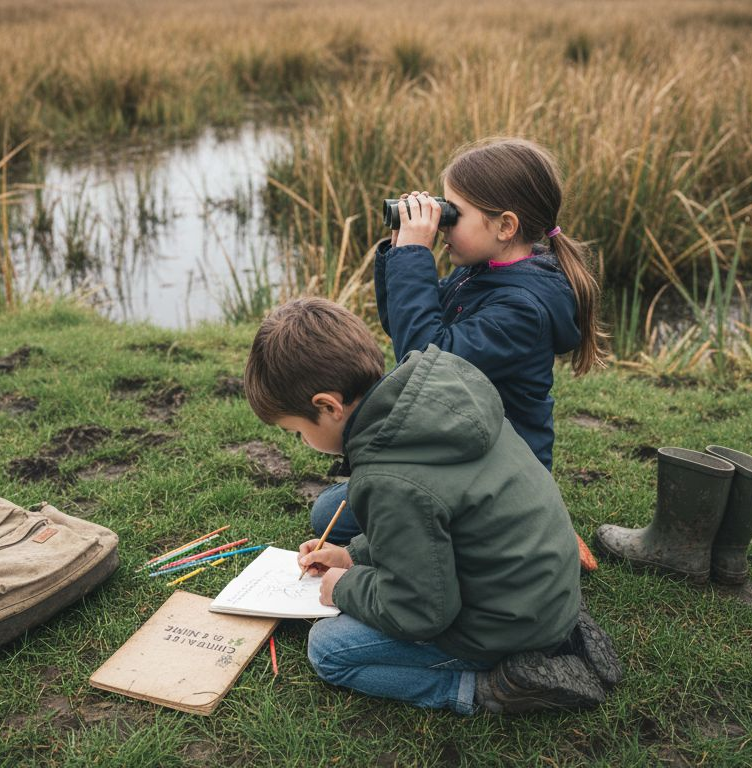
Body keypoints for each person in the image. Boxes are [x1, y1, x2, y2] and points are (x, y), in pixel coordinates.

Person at [243, 297, 620, 714]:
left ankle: (493, 687)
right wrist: (350, 555)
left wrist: (344, 587)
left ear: (327, 407)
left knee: (329, 649)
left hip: (507, 624)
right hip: (543, 588)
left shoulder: (389, 479)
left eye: (297, 431)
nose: (302, 443)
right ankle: (558, 633)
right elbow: (432, 528)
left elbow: (422, 612)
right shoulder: (438, 393)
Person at [309, 137, 607, 570]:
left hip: (493, 471)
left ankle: (539, 524)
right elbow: (406, 329)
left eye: (453, 212)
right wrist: (399, 251)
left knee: (334, 517)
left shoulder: (523, 308)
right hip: (460, 448)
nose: (441, 222)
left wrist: (416, 255)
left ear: (505, 226)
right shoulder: (482, 273)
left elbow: (427, 359)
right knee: (328, 514)